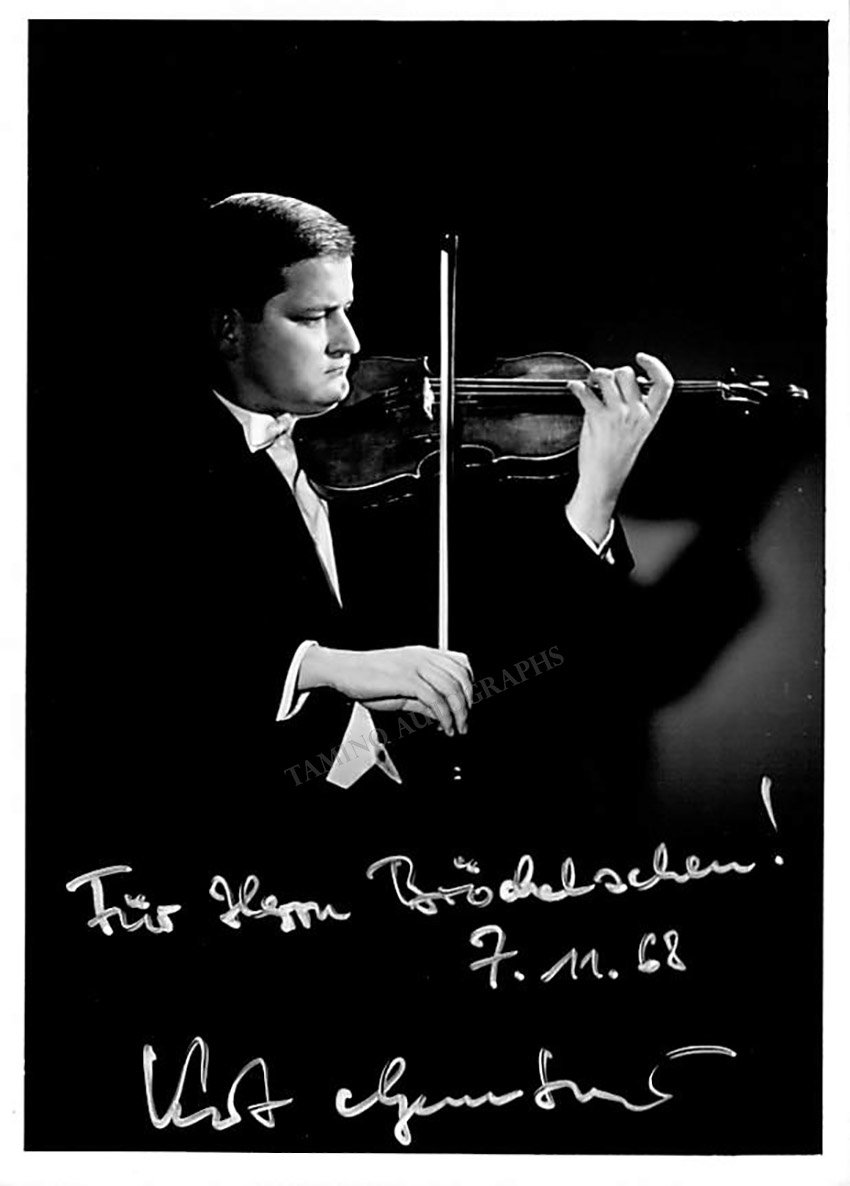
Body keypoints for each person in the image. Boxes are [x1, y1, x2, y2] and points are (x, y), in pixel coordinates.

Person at [194, 191, 673, 817]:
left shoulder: (387, 467)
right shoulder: (146, 475)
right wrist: (323, 666)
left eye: (347, 311)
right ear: (230, 330)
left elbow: (527, 653)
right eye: (313, 318)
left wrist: (598, 488)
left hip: (420, 819)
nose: (348, 342)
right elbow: (156, 647)